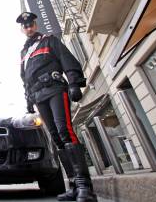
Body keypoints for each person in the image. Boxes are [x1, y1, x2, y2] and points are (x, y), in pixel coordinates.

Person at [17, 12, 97, 202]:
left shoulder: (49, 40)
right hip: (38, 96)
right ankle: (74, 186)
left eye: (31, 24)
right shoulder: (24, 52)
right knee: (55, 137)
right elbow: (25, 78)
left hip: (54, 89)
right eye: (25, 26)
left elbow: (65, 58)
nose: (28, 28)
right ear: (22, 29)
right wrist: (28, 100)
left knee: (65, 130)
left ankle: (86, 187)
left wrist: (74, 82)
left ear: (35, 24)